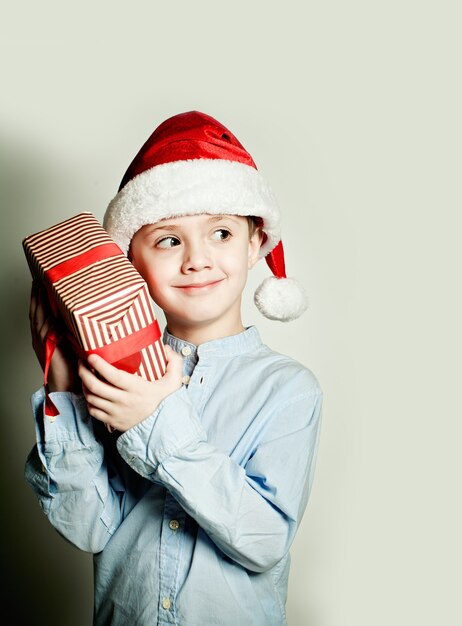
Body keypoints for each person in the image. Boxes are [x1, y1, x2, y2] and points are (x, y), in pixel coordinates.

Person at [25, 111, 322, 625]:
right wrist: (65, 391)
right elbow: (88, 529)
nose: (197, 260)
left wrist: (156, 420)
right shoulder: (113, 380)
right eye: (168, 239)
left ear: (256, 244)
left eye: (222, 234)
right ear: (129, 259)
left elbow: (264, 539)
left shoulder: (289, 390)